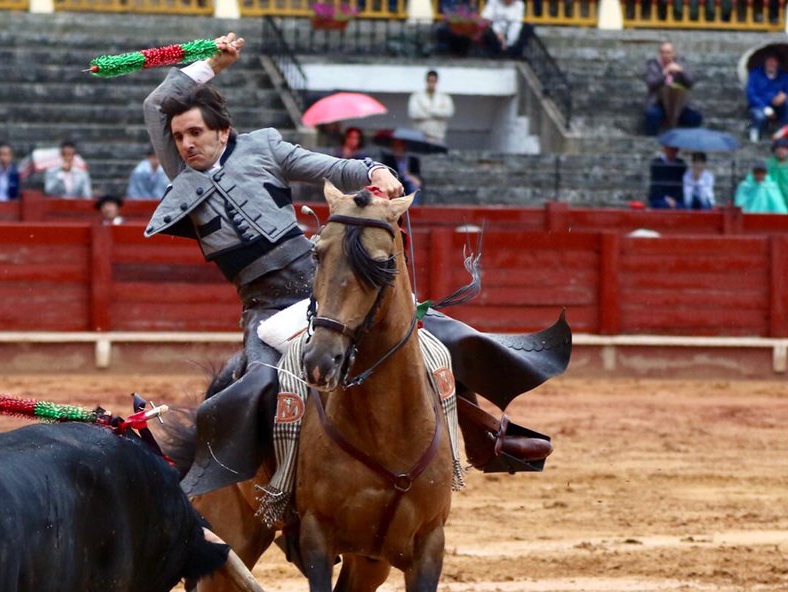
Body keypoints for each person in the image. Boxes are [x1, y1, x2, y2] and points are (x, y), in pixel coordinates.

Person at [142, 33, 558, 496]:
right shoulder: (182, 176)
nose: (186, 144)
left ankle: (485, 437)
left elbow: (330, 168)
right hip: (263, 306)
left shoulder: (263, 148)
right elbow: (156, 105)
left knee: (436, 334)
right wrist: (211, 67)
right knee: (256, 387)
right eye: (179, 137)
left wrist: (373, 170)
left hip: (324, 283)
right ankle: (264, 486)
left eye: (195, 133)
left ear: (222, 132)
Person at [643, 41, 703, 137]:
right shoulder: (653, 65)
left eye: (668, 52)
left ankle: (686, 139)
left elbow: (690, 82)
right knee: (652, 114)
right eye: (662, 52)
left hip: (680, 103)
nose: (665, 55)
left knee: (694, 117)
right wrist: (664, 73)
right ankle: (651, 138)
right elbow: (651, 83)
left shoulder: (682, 63)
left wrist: (681, 71)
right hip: (659, 102)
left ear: (674, 53)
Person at [746, 54, 788, 143]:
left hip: (779, 106)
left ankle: (783, 134)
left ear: (778, 63)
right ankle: (755, 131)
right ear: (765, 62)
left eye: (774, 61)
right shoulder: (755, 75)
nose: (771, 64)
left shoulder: (784, 76)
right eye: (769, 61)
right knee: (759, 116)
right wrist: (764, 107)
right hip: (760, 105)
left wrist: (784, 95)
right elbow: (751, 94)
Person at [408, 70, 455, 145]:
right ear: (426, 81)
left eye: (433, 81)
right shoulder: (416, 96)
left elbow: (448, 112)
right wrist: (437, 114)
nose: (431, 83)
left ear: (437, 81)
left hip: (438, 136)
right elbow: (414, 113)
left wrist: (429, 110)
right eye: (429, 81)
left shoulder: (444, 97)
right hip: (421, 136)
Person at [648, 144, 687, 209]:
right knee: (663, 205)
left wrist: (674, 199)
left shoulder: (680, 164)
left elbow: (680, 185)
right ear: (665, 148)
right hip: (660, 197)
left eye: (675, 149)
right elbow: (656, 186)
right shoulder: (656, 163)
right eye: (671, 149)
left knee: (683, 207)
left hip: (676, 198)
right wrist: (667, 198)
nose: (673, 151)